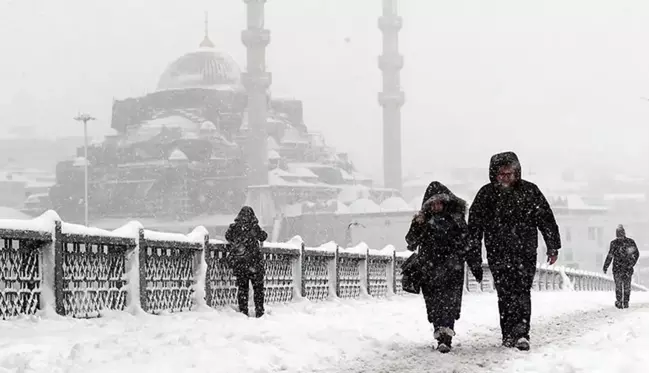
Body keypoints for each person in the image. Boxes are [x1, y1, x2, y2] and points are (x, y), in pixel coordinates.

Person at [467, 152, 561, 351]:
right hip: (498, 253)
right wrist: (473, 256)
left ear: (516, 173)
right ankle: (508, 333)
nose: (506, 178)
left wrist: (553, 246)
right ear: (494, 174)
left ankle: (521, 333)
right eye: (501, 174)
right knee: (505, 293)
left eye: (509, 174)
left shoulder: (530, 191)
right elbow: (474, 228)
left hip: (525, 252)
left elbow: (546, 219)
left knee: (522, 291)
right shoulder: (486, 195)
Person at [405, 181, 483, 353]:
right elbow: (410, 242)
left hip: (452, 270)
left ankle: (445, 336)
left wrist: (475, 266)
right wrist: (418, 224)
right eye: (433, 203)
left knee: (449, 303)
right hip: (429, 269)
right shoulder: (423, 221)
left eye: (439, 202)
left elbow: (468, 244)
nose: (436, 206)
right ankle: (439, 330)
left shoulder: (456, 220)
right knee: (433, 304)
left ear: (446, 202)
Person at [225, 206, 268, 318]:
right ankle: (259, 311)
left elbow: (228, 237)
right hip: (254, 263)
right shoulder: (254, 228)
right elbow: (263, 237)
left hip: (241, 264)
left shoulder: (234, 227)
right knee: (258, 289)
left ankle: (243, 311)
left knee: (242, 289)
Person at [603, 224, 640, 309]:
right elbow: (636, 254)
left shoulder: (615, 244)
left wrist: (606, 266)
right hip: (626, 268)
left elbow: (610, 255)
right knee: (625, 286)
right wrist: (631, 263)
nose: (620, 237)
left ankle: (622, 301)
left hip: (619, 268)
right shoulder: (629, 242)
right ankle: (623, 302)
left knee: (620, 286)